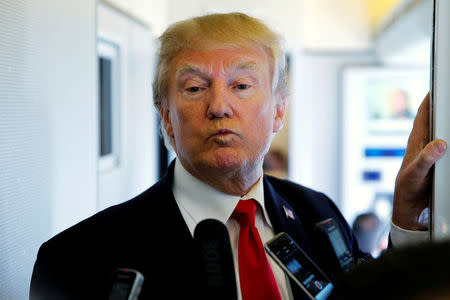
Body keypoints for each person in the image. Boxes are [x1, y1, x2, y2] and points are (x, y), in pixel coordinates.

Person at [29, 12, 447, 300]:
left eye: (242, 85)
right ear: (166, 117)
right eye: (194, 88)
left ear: (279, 110)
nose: (219, 106)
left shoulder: (318, 215)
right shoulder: (77, 260)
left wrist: (407, 219)